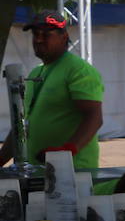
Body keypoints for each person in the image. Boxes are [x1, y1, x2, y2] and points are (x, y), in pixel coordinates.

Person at [0, 12, 103, 170]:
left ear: (64, 37)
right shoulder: (36, 73)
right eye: (36, 34)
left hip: (73, 173)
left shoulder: (78, 70)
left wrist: (67, 151)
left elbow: (94, 117)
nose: (38, 39)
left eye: (46, 34)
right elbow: (22, 128)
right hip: (38, 171)